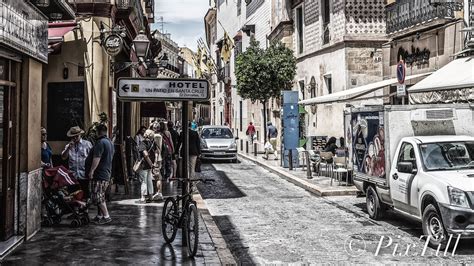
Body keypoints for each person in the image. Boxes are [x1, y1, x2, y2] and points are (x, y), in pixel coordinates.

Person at [86, 124, 114, 225]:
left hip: (100, 174)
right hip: (106, 173)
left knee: (98, 196)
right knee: (100, 195)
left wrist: (92, 170)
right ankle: (99, 216)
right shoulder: (109, 142)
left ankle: (106, 217)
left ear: (98, 132)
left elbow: (96, 158)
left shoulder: (100, 143)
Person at [61, 126, 92, 199]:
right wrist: (68, 148)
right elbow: (63, 157)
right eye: (73, 137)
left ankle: (85, 209)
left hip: (84, 175)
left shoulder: (87, 144)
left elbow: (91, 158)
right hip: (73, 176)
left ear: (80, 135)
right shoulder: (69, 145)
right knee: (73, 196)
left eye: (76, 136)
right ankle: (76, 210)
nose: (75, 138)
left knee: (85, 195)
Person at [137, 130, 160, 203]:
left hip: (144, 165)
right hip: (151, 165)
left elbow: (145, 155)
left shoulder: (143, 143)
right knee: (149, 180)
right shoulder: (153, 143)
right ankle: (150, 196)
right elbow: (157, 153)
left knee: (143, 181)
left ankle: (143, 197)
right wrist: (154, 162)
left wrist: (151, 164)